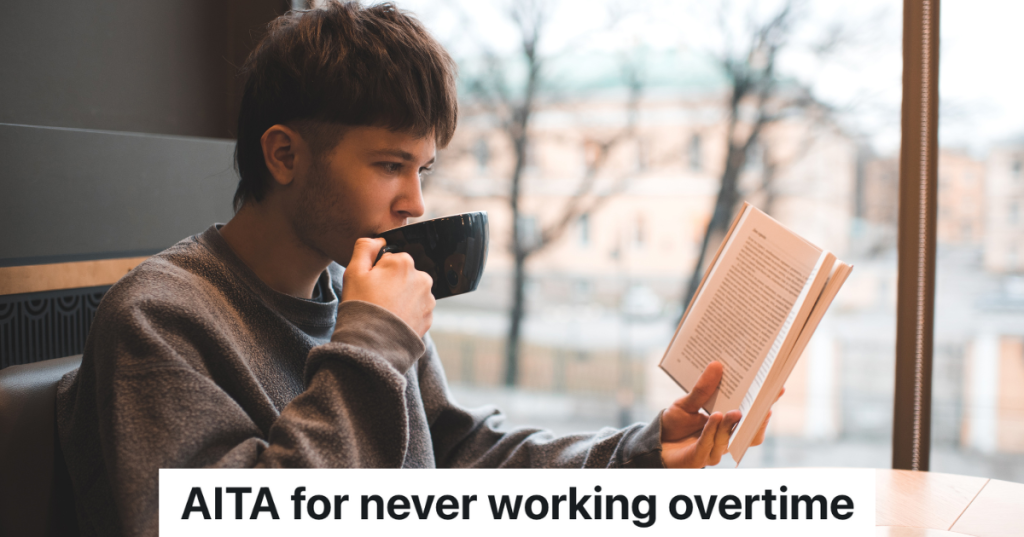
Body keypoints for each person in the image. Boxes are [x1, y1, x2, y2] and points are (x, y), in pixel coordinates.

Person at [56, 2, 776, 535]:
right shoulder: (160, 319)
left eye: (423, 167)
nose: (416, 200)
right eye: (389, 165)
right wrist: (370, 344)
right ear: (283, 155)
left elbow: (461, 455)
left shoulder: (360, 294)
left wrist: (638, 454)